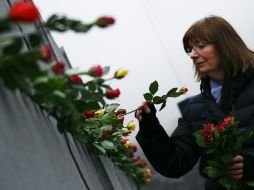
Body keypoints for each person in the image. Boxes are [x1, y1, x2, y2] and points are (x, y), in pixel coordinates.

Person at [135, 15, 254, 190]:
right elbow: (174, 163)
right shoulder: (195, 108)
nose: (192, 55)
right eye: (189, 49)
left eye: (201, 46)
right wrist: (150, 126)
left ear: (225, 45)